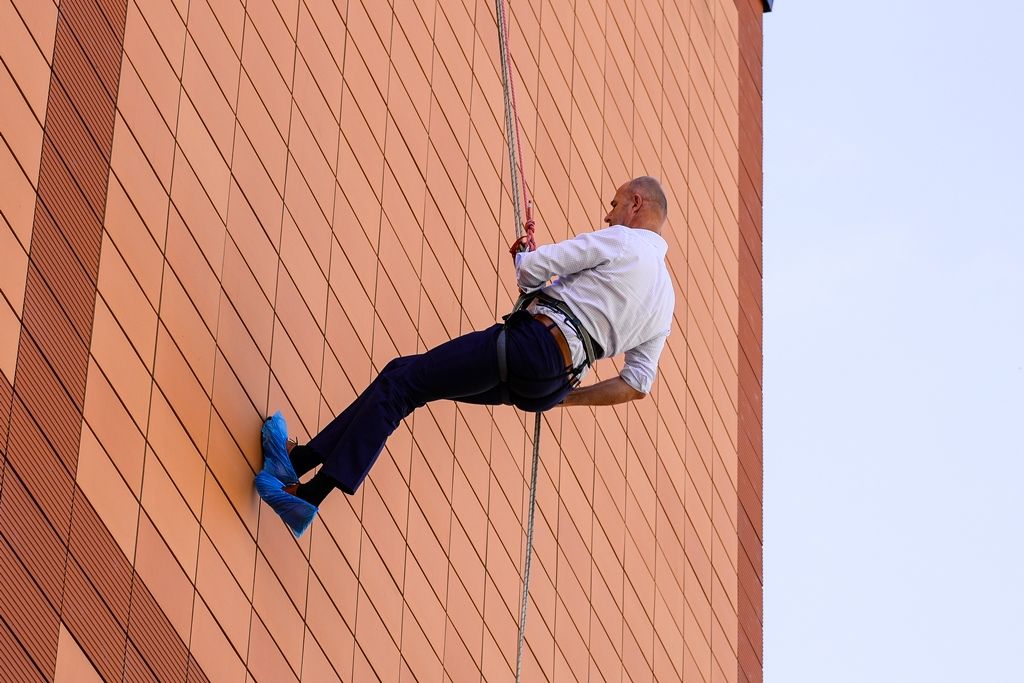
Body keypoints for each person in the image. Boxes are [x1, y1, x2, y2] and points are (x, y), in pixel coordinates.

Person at [255, 177, 676, 536]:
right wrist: (566, 399)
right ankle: (298, 461)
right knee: (402, 378)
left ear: (636, 203)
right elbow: (636, 384)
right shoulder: (665, 301)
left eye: (615, 204)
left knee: (402, 386)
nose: (608, 215)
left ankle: (308, 496)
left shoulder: (623, 241)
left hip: (532, 346)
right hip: (548, 384)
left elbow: (531, 270)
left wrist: (524, 256)